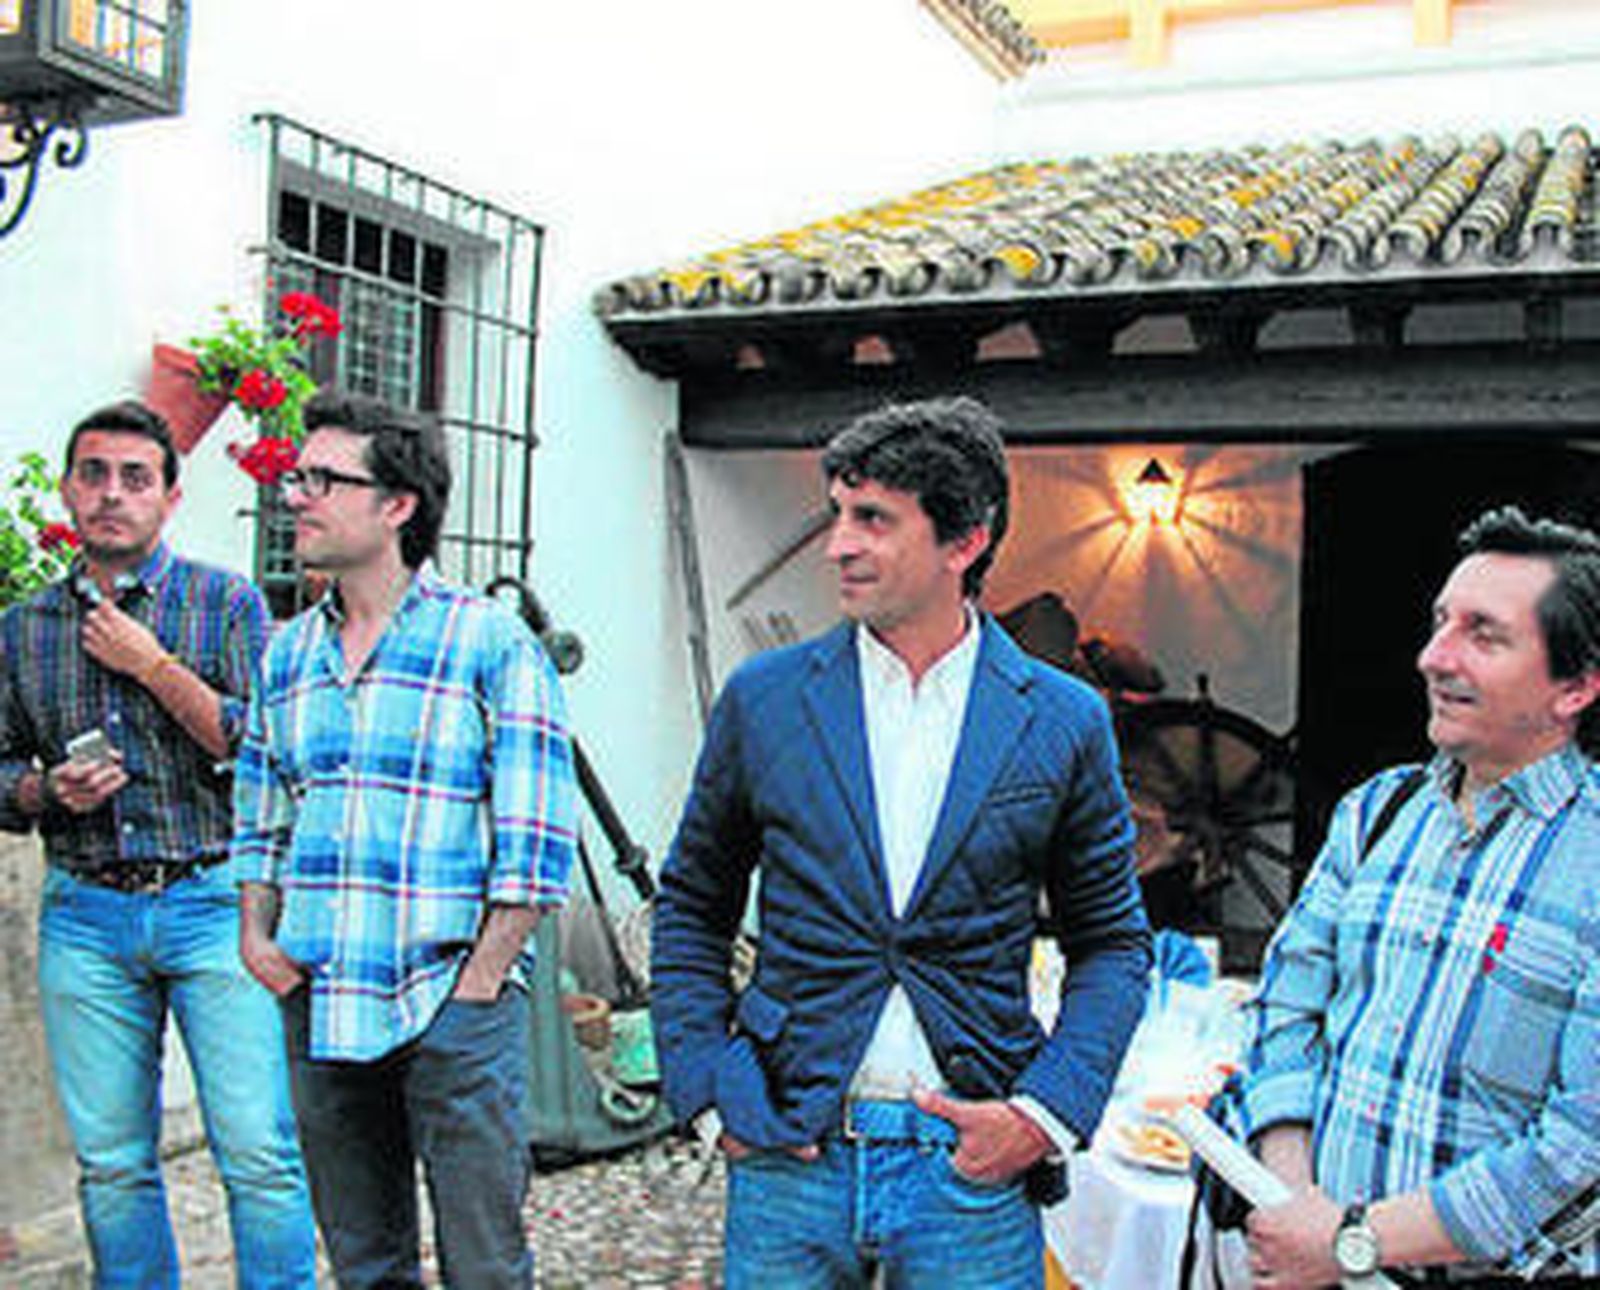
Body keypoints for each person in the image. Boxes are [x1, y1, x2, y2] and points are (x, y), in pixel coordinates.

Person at [651, 397, 1152, 1289]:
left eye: (873, 519)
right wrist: (707, 1093)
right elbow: (691, 905)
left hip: (972, 1171)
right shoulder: (764, 700)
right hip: (788, 1156)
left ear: (965, 541)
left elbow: (1112, 944)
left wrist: (1042, 1115)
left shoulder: (1065, 719)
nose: (838, 544)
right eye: (838, 514)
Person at [233, 391, 578, 1289]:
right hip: (321, 996)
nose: (296, 496)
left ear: (397, 505)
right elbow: (262, 813)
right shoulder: (288, 656)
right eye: (296, 477)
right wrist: (258, 939)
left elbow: (538, 838)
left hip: (450, 999)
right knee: (365, 1265)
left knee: (485, 1267)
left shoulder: (489, 644)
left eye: (323, 480)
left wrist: (482, 980)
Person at [1239, 505, 1600, 1286]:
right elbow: (1286, 1005)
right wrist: (1297, 1203)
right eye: (1441, 624)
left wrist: (1353, 1240)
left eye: (1484, 635)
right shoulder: (1376, 812)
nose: (1434, 657)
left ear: (1575, 687)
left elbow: (1581, 1138)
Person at [0, 400, 316, 1287]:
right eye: (94, 474)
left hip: (214, 903)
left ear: (170, 498)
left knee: (258, 1153)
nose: (112, 494)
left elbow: (266, 751)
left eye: (135, 478)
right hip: (86, 914)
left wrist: (151, 665)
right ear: (69, 491)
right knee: (111, 1166)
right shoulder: (24, 629)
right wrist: (43, 791)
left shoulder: (225, 602)